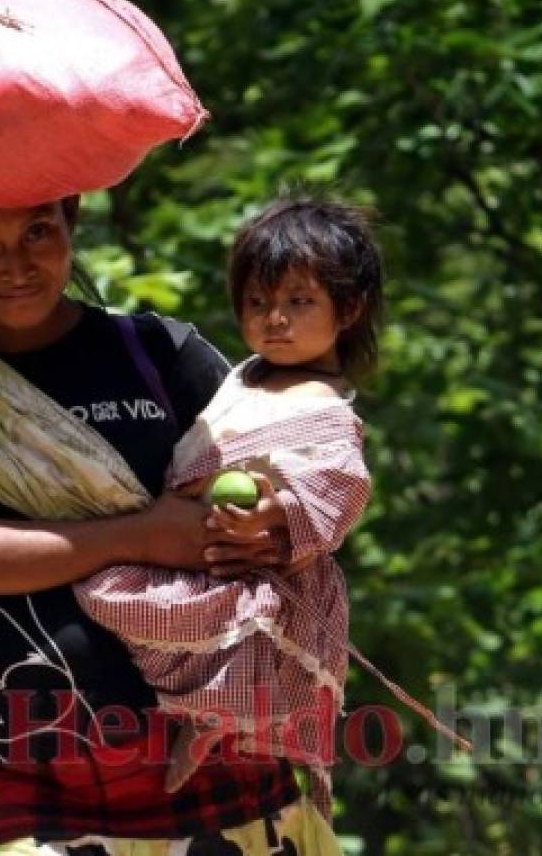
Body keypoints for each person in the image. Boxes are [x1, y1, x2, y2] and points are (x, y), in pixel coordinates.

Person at [0, 196, 341, 854]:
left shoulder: (160, 352)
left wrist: (270, 522)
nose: (16, 264)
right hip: (34, 768)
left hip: (218, 752)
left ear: (71, 223)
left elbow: (289, 465)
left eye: (38, 231)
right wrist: (141, 534)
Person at [74, 196, 384, 813]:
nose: (275, 319)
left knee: (239, 640)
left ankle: (219, 719)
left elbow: (339, 485)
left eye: (299, 302)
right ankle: (200, 710)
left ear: (347, 309)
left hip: (265, 579)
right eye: (258, 303)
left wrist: (274, 515)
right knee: (108, 591)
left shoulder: (328, 409)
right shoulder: (238, 376)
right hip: (191, 555)